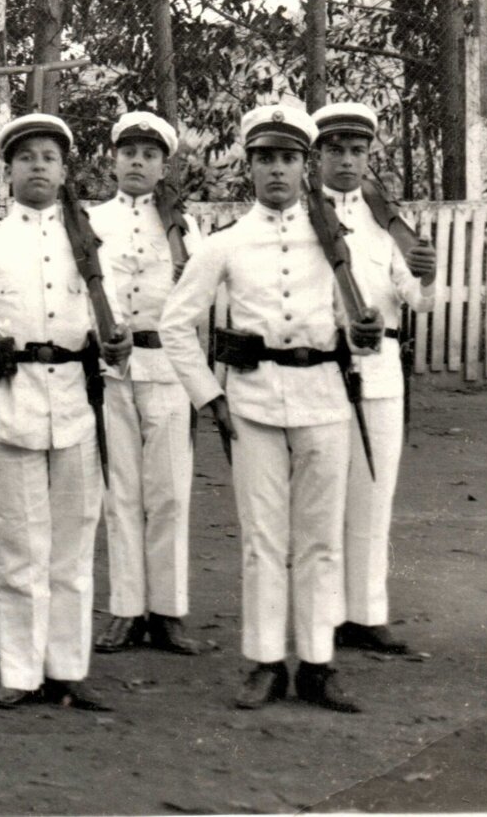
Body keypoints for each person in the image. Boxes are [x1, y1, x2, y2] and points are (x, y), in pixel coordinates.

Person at [160, 102, 370, 715]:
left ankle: (318, 663)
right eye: (265, 159)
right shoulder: (226, 244)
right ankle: (264, 661)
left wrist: (365, 332)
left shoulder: (333, 241)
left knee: (320, 539)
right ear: (247, 168)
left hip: (324, 401)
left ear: (306, 166)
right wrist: (210, 397)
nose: (277, 170)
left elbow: (353, 324)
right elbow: (176, 325)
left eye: (288, 159)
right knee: (261, 538)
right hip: (250, 405)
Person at [0, 112, 118, 712]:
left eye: (49, 157)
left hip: (78, 404)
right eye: (26, 157)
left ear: (65, 171)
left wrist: (113, 356)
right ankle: (20, 670)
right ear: (7, 173)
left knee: (74, 546)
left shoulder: (87, 242)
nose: (38, 166)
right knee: (19, 546)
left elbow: (109, 322)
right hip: (13, 404)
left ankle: (67, 668)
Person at [311, 100, 432, 657]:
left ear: (368, 157)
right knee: (326, 495)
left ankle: (367, 612)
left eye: (357, 151)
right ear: (317, 156)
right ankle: (327, 614)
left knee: (374, 493)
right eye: (335, 150)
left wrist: (425, 275)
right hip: (322, 368)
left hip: (379, 367)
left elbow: (417, 299)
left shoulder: (388, 223)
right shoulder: (303, 215)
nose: (346, 161)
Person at [88, 110, 203, 655]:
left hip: (168, 369)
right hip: (112, 372)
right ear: (113, 160)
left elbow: (200, 301)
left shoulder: (185, 227)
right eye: (129, 152)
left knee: (169, 493)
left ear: (164, 166)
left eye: (150, 155)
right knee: (121, 492)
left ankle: (168, 609)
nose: (138, 162)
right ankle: (127, 608)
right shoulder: (91, 223)